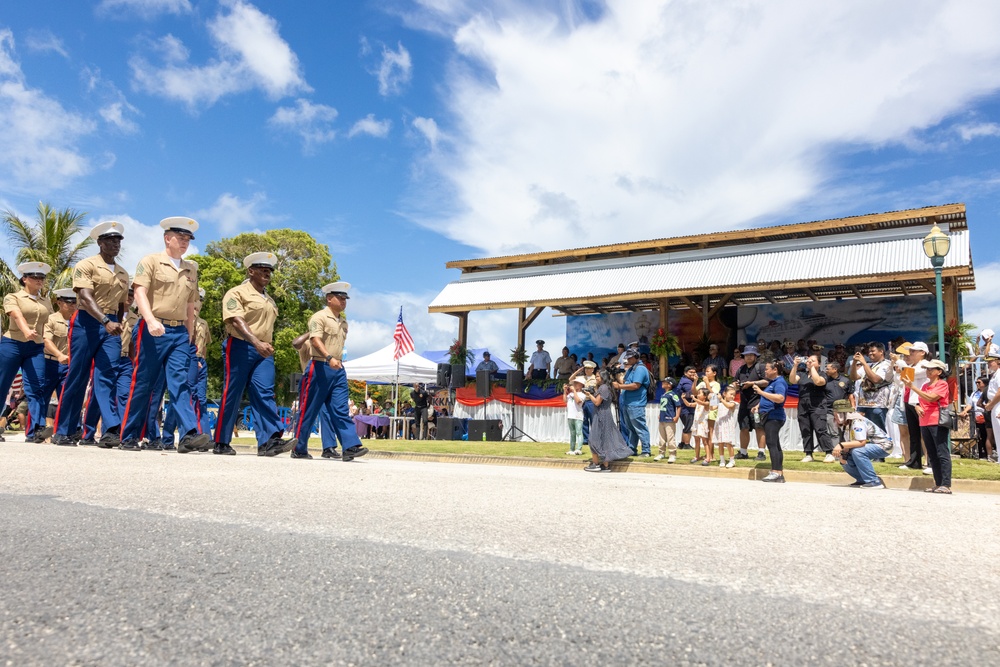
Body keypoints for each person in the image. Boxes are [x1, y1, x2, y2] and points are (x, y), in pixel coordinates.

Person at [119, 217, 212, 453]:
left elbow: (191, 305)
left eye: (188, 239)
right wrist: (149, 320)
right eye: (180, 238)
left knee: (180, 382)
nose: (184, 242)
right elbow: (139, 291)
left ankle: (190, 433)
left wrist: (189, 335)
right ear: (167, 238)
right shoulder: (150, 261)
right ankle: (129, 435)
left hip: (179, 332)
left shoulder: (191, 268)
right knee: (143, 383)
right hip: (153, 329)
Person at [51, 222, 129, 447]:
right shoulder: (86, 265)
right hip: (87, 323)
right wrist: (105, 320)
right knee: (77, 377)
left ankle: (110, 430)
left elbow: (122, 302)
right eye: (111, 240)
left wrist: (118, 321)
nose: (115, 244)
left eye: (118, 241)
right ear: (100, 243)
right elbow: (85, 297)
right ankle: (64, 430)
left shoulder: (123, 273)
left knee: (107, 376)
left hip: (111, 326)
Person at [213, 252, 291, 457]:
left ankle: (269, 440)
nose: (267, 273)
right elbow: (236, 320)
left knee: (264, 392)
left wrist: (264, 345)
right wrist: (255, 342)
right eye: (262, 269)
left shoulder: (270, 300)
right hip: (240, 346)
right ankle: (221, 441)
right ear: (251, 271)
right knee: (233, 392)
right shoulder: (237, 293)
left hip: (264, 351)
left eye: (270, 271)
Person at [292, 281, 368, 461]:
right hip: (319, 366)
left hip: (338, 368)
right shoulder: (319, 317)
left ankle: (350, 446)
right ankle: (298, 447)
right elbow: (315, 340)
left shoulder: (343, 322)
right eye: (340, 298)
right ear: (329, 298)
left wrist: (336, 361)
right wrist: (328, 357)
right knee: (309, 410)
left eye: (345, 299)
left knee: (341, 409)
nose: (343, 301)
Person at [0, 262, 54, 444]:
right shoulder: (13, 296)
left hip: (35, 347)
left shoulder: (46, 301)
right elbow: (16, 315)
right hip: (13, 344)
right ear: (24, 279)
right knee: (2, 384)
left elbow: (49, 322)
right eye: (35, 277)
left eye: (42, 278)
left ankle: (36, 430)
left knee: (37, 387)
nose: (39, 280)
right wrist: (25, 330)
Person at [905, 359, 952, 494]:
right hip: (925, 421)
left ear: (939, 372)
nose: (928, 371)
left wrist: (913, 387)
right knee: (932, 453)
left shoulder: (942, 384)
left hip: (937, 421)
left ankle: (946, 484)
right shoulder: (925, 385)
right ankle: (938, 483)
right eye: (927, 369)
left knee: (941, 452)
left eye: (931, 369)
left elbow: (931, 398)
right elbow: (921, 400)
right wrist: (918, 406)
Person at [831, 401, 891, 488]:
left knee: (857, 451)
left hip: (883, 445)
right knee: (845, 457)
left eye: (837, 414)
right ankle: (862, 479)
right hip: (868, 446)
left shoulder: (857, 421)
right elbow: (850, 444)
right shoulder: (846, 425)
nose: (835, 417)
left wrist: (841, 445)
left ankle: (873, 481)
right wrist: (842, 455)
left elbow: (861, 442)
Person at [584, 369, 634, 472]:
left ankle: (595, 464)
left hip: (601, 415)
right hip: (604, 414)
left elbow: (597, 403)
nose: (596, 378)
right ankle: (605, 465)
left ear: (603, 377)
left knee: (593, 439)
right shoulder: (606, 387)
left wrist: (590, 396)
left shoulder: (603, 388)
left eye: (597, 376)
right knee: (605, 440)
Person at [42, 288, 76, 435]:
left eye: (75, 302)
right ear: (59, 303)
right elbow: (46, 341)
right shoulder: (51, 319)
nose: (72, 305)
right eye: (69, 302)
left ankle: (65, 432)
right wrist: (59, 355)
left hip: (69, 365)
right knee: (42, 398)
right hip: (51, 363)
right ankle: (34, 431)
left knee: (68, 398)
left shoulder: (79, 321)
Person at [789, 353, 833, 462]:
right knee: (805, 429)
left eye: (813, 360)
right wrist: (795, 366)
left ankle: (828, 452)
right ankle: (808, 453)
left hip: (817, 404)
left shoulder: (822, 374)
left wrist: (812, 367)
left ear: (819, 363)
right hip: (803, 404)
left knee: (820, 428)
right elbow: (792, 380)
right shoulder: (802, 374)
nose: (809, 362)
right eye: (808, 360)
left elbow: (818, 381)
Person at [753, 360, 787, 483]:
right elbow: (768, 397)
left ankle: (775, 472)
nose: (765, 371)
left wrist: (761, 392)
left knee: (772, 443)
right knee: (775, 444)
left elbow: (780, 398)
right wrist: (758, 405)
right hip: (769, 415)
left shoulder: (779, 382)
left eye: (767, 369)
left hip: (774, 416)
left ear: (775, 370)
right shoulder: (773, 382)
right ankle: (779, 473)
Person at [898, 342, 930, 471]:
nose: (910, 354)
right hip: (910, 401)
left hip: (921, 402)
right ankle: (914, 461)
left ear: (922, 352)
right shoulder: (911, 365)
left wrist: (900, 364)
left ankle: (929, 461)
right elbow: (901, 379)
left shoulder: (926, 365)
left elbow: (910, 374)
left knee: (925, 434)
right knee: (914, 433)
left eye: (913, 351)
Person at [612, 349, 650, 457]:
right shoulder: (631, 369)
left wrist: (619, 386)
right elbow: (625, 382)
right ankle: (632, 449)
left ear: (636, 358)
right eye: (627, 358)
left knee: (640, 427)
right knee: (631, 428)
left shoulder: (640, 369)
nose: (627, 359)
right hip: (628, 402)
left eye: (630, 358)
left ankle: (646, 450)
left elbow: (636, 385)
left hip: (636, 403)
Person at [850, 341, 894, 432]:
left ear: (881, 351)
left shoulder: (887, 364)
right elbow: (854, 377)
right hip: (863, 404)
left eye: (873, 351)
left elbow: (876, 379)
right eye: (869, 351)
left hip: (878, 405)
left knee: (879, 431)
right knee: (864, 432)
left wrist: (864, 363)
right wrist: (854, 363)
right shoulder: (869, 364)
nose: (870, 353)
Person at [734, 346, 767, 461]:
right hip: (744, 403)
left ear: (755, 356)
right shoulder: (740, 369)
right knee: (743, 427)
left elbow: (767, 381)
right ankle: (743, 452)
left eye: (751, 354)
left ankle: (761, 453)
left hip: (757, 403)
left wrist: (752, 383)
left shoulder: (760, 367)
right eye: (746, 355)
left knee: (759, 427)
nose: (748, 356)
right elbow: (734, 383)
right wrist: (737, 385)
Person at [823, 361, 854, 444]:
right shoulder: (825, 380)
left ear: (835, 369)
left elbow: (850, 394)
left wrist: (853, 407)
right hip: (829, 410)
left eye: (828, 369)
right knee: (834, 432)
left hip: (843, 411)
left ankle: (844, 450)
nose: (826, 370)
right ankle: (835, 453)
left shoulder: (846, 380)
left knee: (844, 431)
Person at [568, 360, 598, 445]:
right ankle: (586, 439)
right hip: (582, 401)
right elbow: (570, 380)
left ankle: (594, 439)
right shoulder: (582, 378)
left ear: (592, 369)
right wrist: (578, 371)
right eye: (585, 368)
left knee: (593, 420)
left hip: (591, 401)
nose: (587, 370)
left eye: (589, 368)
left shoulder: (595, 378)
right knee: (584, 420)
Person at [654, 377, 680, 462]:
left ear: (669, 385)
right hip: (662, 418)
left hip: (669, 418)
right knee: (662, 437)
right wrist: (660, 414)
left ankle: (672, 454)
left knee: (670, 437)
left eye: (665, 382)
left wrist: (677, 416)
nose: (663, 383)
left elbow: (678, 406)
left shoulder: (673, 395)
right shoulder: (663, 395)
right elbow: (663, 406)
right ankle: (661, 453)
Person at [715, 384, 738, 468]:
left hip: (728, 425)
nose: (732, 396)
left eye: (734, 395)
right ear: (724, 394)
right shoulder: (720, 403)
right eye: (731, 394)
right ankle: (722, 459)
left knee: (729, 443)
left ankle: (732, 460)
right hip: (720, 424)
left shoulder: (733, 403)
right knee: (720, 442)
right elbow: (711, 408)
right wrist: (711, 399)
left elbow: (729, 406)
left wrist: (721, 399)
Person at [676, 365, 698, 449]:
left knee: (687, 425)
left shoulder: (685, 380)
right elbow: (692, 393)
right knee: (688, 426)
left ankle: (682, 443)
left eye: (694, 372)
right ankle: (686, 444)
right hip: (687, 408)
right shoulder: (687, 382)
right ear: (685, 373)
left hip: (684, 408)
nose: (693, 374)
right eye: (690, 372)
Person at [564, 376, 586, 455]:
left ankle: (579, 449)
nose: (575, 385)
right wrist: (565, 391)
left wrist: (574, 392)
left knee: (579, 432)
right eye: (575, 383)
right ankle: (571, 449)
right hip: (570, 415)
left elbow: (578, 401)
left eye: (577, 383)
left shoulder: (582, 395)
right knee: (572, 433)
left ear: (581, 385)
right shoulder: (570, 394)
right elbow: (564, 400)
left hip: (578, 415)